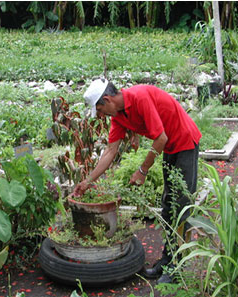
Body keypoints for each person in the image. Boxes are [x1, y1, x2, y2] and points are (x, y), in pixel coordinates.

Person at [73, 79, 202, 284]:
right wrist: (88, 181)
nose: (101, 115)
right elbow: (110, 151)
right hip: (170, 148)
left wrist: (142, 170)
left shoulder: (139, 97)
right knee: (168, 206)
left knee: (182, 207)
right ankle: (167, 260)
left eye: (100, 110)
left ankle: (178, 267)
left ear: (107, 100)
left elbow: (161, 138)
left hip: (185, 141)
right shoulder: (118, 117)